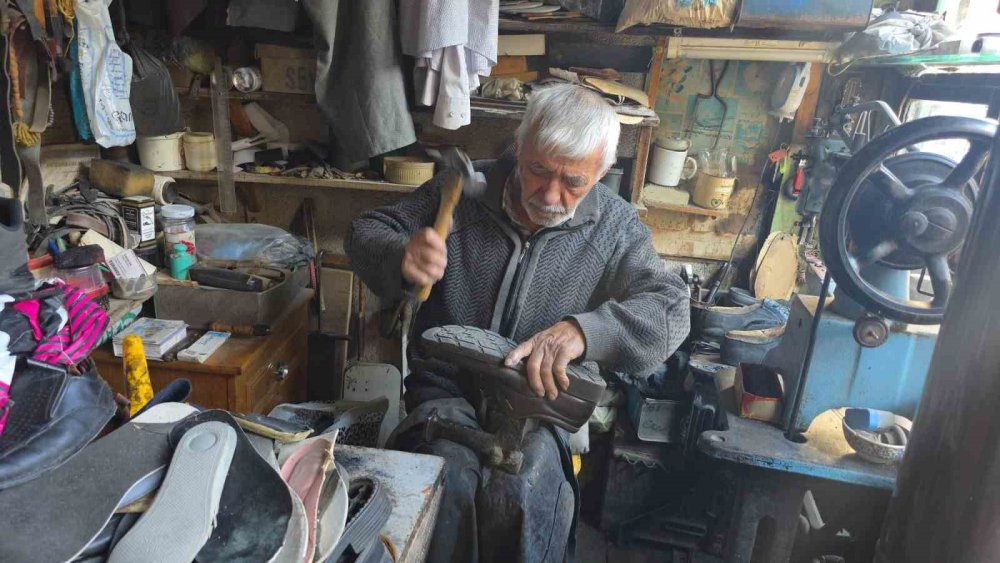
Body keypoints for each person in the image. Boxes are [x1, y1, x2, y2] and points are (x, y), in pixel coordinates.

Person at [345, 83, 690, 562]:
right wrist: (400, 255)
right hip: (445, 390)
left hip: (541, 403)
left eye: (574, 181)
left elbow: (671, 309)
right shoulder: (463, 192)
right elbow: (366, 230)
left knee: (525, 493)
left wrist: (584, 331)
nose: (550, 194)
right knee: (449, 484)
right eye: (538, 170)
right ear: (519, 146)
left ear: (602, 171)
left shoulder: (615, 226)